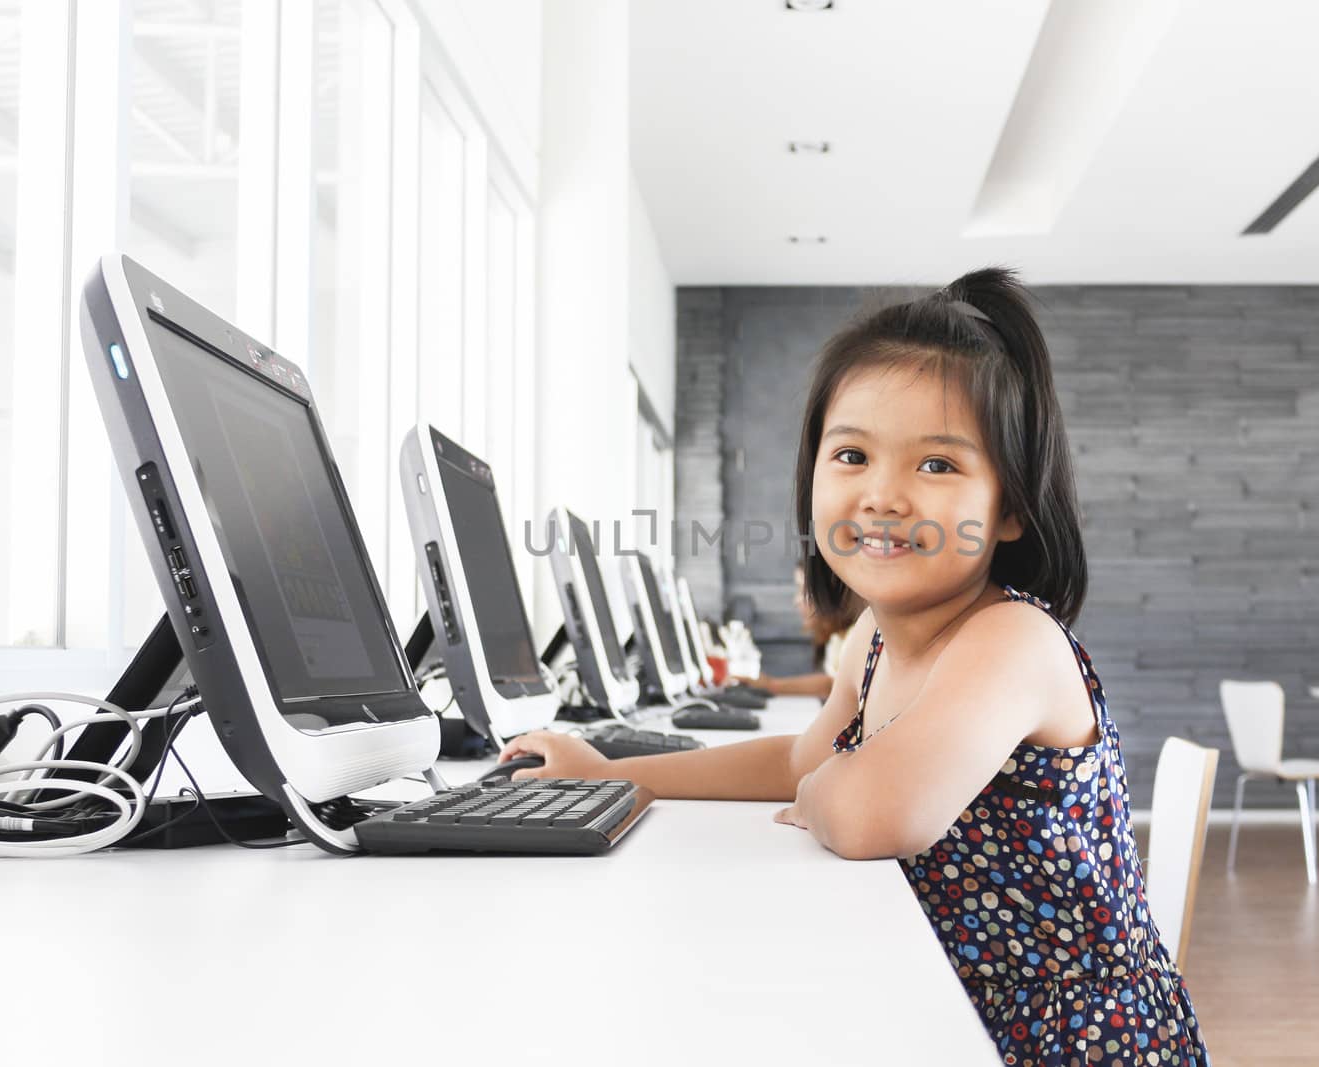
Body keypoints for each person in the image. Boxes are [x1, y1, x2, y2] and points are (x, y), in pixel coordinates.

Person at [500, 268, 1209, 1064]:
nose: (883, 494)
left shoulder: (1011, 639)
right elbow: (803, 758)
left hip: (1071, 1044)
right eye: (851, 455)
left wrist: (834, 785)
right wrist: (617, 773)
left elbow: (871, 810)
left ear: (1010, 507)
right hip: (952, 1009)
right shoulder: (874, 636)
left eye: (936, 466)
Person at [731, 566, 859, 700]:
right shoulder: (837, 640)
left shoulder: (856, 638)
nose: (796, 601)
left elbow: (831, 685)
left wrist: (771, 685)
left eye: (803, 590)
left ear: (831, 593)